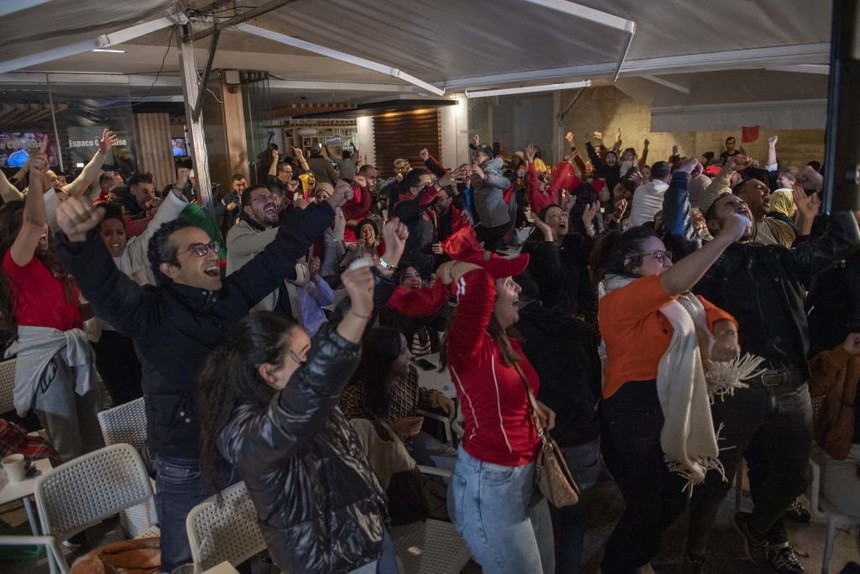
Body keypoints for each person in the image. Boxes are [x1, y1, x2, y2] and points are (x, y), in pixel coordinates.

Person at [53, 184, 352, 572]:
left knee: (252, 550)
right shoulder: (151, 313)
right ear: (169, 269)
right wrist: (78, 244)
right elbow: (107, 289)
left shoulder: (229, 295)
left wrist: (325, 208)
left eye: (210, 246)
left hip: (244, 446)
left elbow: (278, 255)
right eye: (198, 249)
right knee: (189, 563)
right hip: (186, 460)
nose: (212, 252)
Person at [662, 158, 860, 573]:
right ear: (714, 226)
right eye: (730, 206)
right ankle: (695, 550)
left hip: (791, 385)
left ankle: (756, 526)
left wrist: (833, 184)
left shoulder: (777, 257)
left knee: (792, 480)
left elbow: (844, 239)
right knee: (716, 480)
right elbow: (677, 233)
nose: (743, 209)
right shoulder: (710, 263)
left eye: (744, 206)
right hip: (739, 385)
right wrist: (680, 178)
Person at [198, 266, 399, 574]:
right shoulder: (246, 433)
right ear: (268, 372)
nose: (311, 364)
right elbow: (313, 387)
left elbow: (338, 351)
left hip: (362, 529)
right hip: (330, 559)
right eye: (303, 356)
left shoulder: (299, 395)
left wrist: (381, 277)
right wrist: (357, 314)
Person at [591, 186, 745, 573]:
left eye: (667, 256)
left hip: (671, 404)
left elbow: (716, 313)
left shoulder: (681, 301)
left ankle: (634, 555)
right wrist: (726, 236)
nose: (667, 263)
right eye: (658, 257)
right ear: (630, 264)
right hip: (632, 412)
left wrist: (727, 335)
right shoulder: (617, 301)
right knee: (646, 509)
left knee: (675, 497)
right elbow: (675, 282)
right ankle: (618, 565)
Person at [435, 252, 557, 574]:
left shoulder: (504, 341)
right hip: (490, 486)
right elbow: (475, 285)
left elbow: (507, 387)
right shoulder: (467, 345)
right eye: (508, 283)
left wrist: (531, 404)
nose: (518, 289)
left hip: (524, 472)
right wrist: (455, 268)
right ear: (489, 295)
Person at [0, 151, 105, 463]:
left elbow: (71, 311)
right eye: (36, 227)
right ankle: (74, 508)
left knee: (94, 433)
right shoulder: (15, 264)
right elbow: (32, 220)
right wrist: (35, 178)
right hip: (47, 358)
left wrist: (103, 306)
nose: (42, 229)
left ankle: (107, 504)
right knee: (67, 441)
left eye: (45, 226)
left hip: (74, 347)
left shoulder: (54, 263)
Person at [513, 274, 603, 574]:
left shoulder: (510, 336)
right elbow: (595, 381)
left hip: (537, 441)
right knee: (572, 518)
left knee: (538, 518)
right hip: (581, 435)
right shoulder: (577, 328)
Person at [341, 326, 456, 467]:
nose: (411, 355)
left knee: (457, 464)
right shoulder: (357, 397)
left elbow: (415, 395)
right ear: (384, 360)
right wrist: (392, 430)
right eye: (402, 352)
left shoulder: (407, 375)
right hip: (382, 460)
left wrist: (436, 397)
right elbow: (355, 448)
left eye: (407, 348)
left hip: (407, 443)